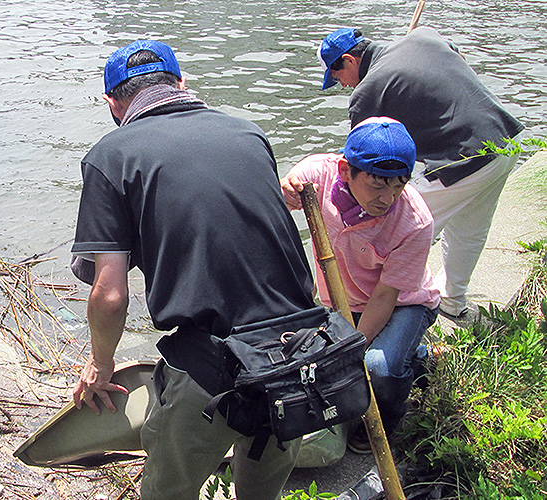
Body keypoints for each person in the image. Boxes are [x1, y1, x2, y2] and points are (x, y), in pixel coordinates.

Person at [70, 40, 320, 499]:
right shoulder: (249, 134)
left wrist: (100, 365)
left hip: (213, 367)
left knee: (168, 491)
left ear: (113, 103)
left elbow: (110, 295)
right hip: (297, 357)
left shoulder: (111, 156)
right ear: (182, 84)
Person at [317, 26, 525, 318]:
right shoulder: (422, 37)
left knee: (399, 229)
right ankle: (452, 300)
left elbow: (360, 163)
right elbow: (456, 57)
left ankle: (383, 313)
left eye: (337, 76)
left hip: (468, 157)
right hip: (506, 141)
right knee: (469, 228)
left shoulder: (367, 92)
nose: (342, 85)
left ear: (350, 61)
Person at [280, 116, 440, 454]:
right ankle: (420, 356)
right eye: (378, 183)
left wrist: (353, 348)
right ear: (345, 171)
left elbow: (385, 296)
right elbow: (286, 189)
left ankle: (390, 417)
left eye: (400, 184)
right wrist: (286, 188)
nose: (389, 197)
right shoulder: (319, 176)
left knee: (377, 366)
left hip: (403, 302)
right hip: (344, 300)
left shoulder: (415, 221)